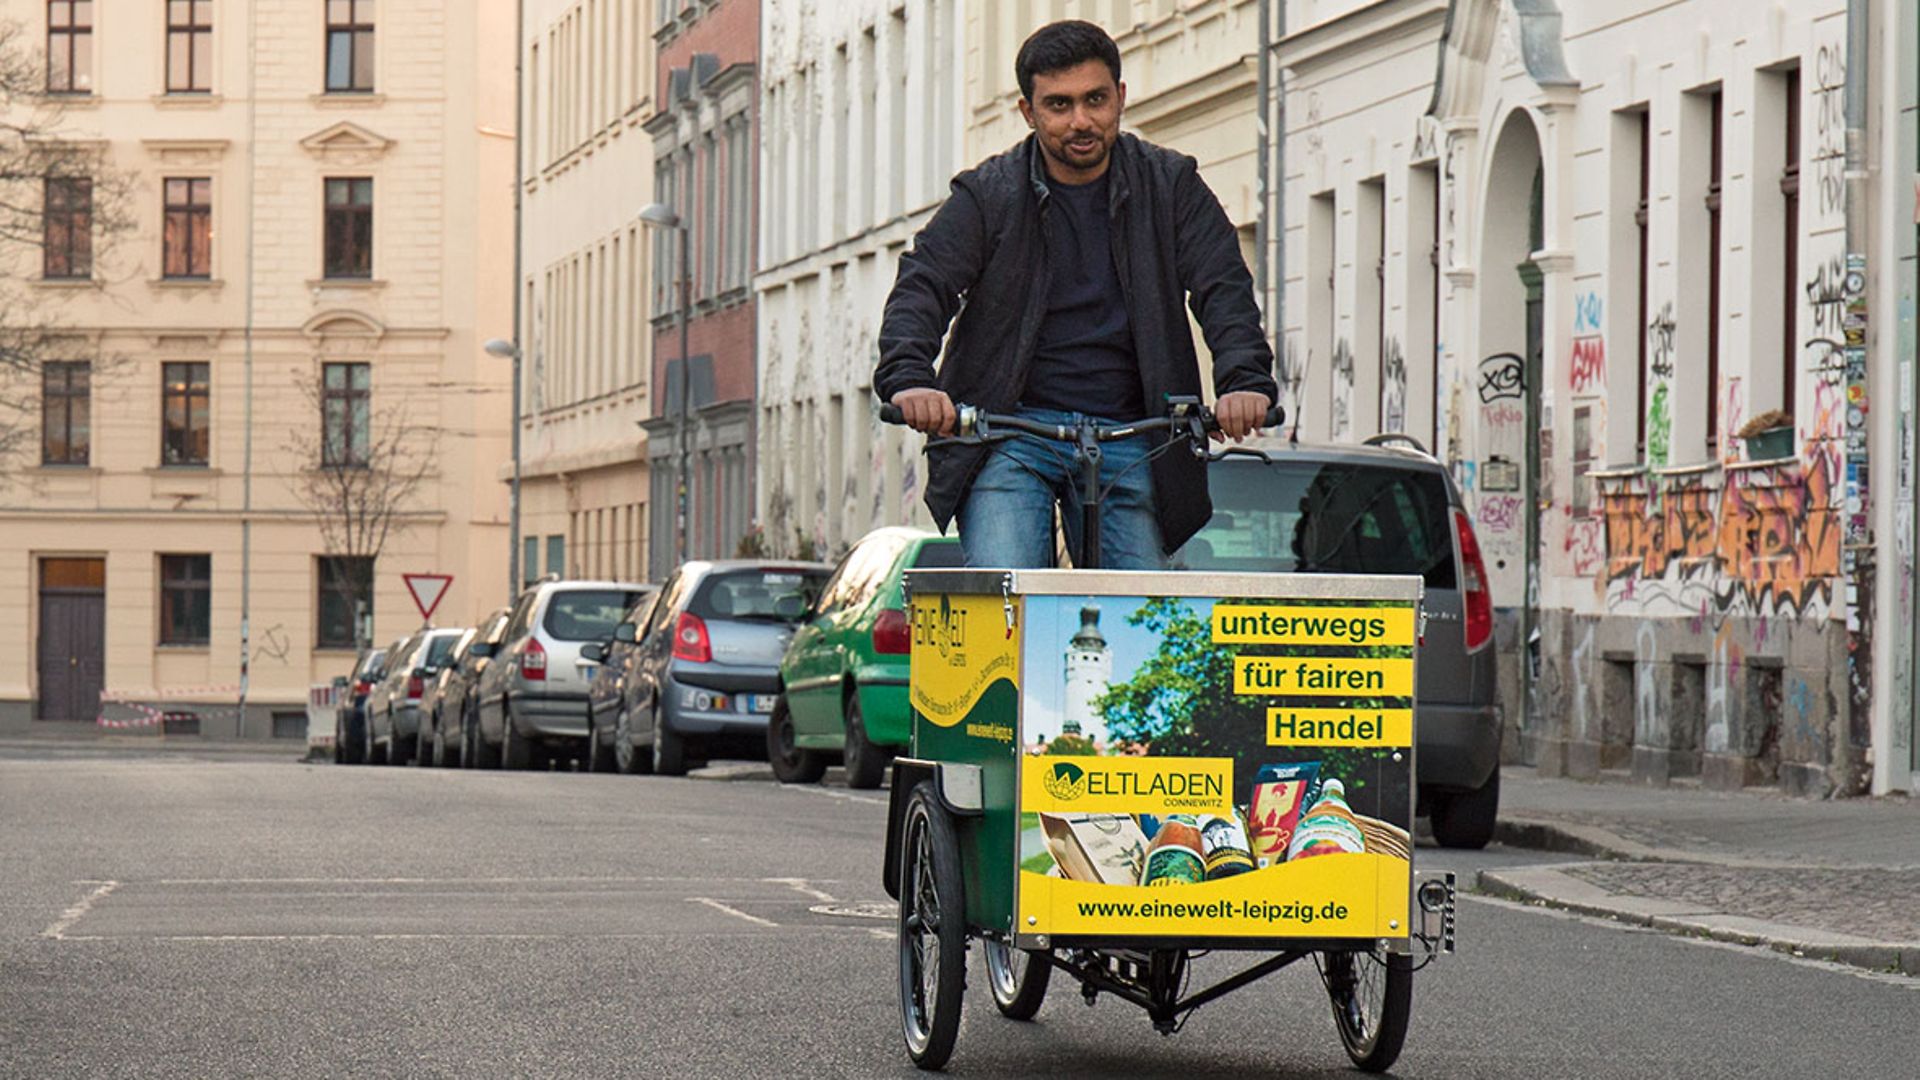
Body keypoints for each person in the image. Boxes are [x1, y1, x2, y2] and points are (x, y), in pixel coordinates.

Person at [876, 19, 1277, 571]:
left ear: (1121, 97)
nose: (1081, 120)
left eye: (1095, 100)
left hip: (1136, 434)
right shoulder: (989, 195)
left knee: (1142, 617)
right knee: (1005, 589)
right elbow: (925, 284)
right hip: (1009, 434)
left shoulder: (1171, 186)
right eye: (1059, 105)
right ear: (1028, 112)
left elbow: (1224, 287)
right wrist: (910, 380)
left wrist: (1244, 382)